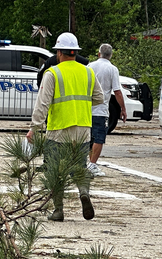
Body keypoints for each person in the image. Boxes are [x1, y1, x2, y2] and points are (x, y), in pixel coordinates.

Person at [26, 32, 104, 222]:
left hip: (59, 130)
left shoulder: (52, 73)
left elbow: (42, 104)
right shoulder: (88, 71)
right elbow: (100, 97)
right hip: (83, 129)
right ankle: (84, 191)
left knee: (55, 169)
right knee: (79, 166)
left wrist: (34, 128)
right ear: (75, 52)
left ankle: (58, 210)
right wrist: (81, 105)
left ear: (59, 52)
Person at [87, 44, 126, 177]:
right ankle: (92, 164)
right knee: (99, 138)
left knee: (87, 137)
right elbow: (117, 91)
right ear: (111, 55)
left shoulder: (89, 67)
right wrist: (123, 109)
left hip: (86, 108)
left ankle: (86, 162)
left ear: (99, 54)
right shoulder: (112, 69)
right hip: (101, 109)